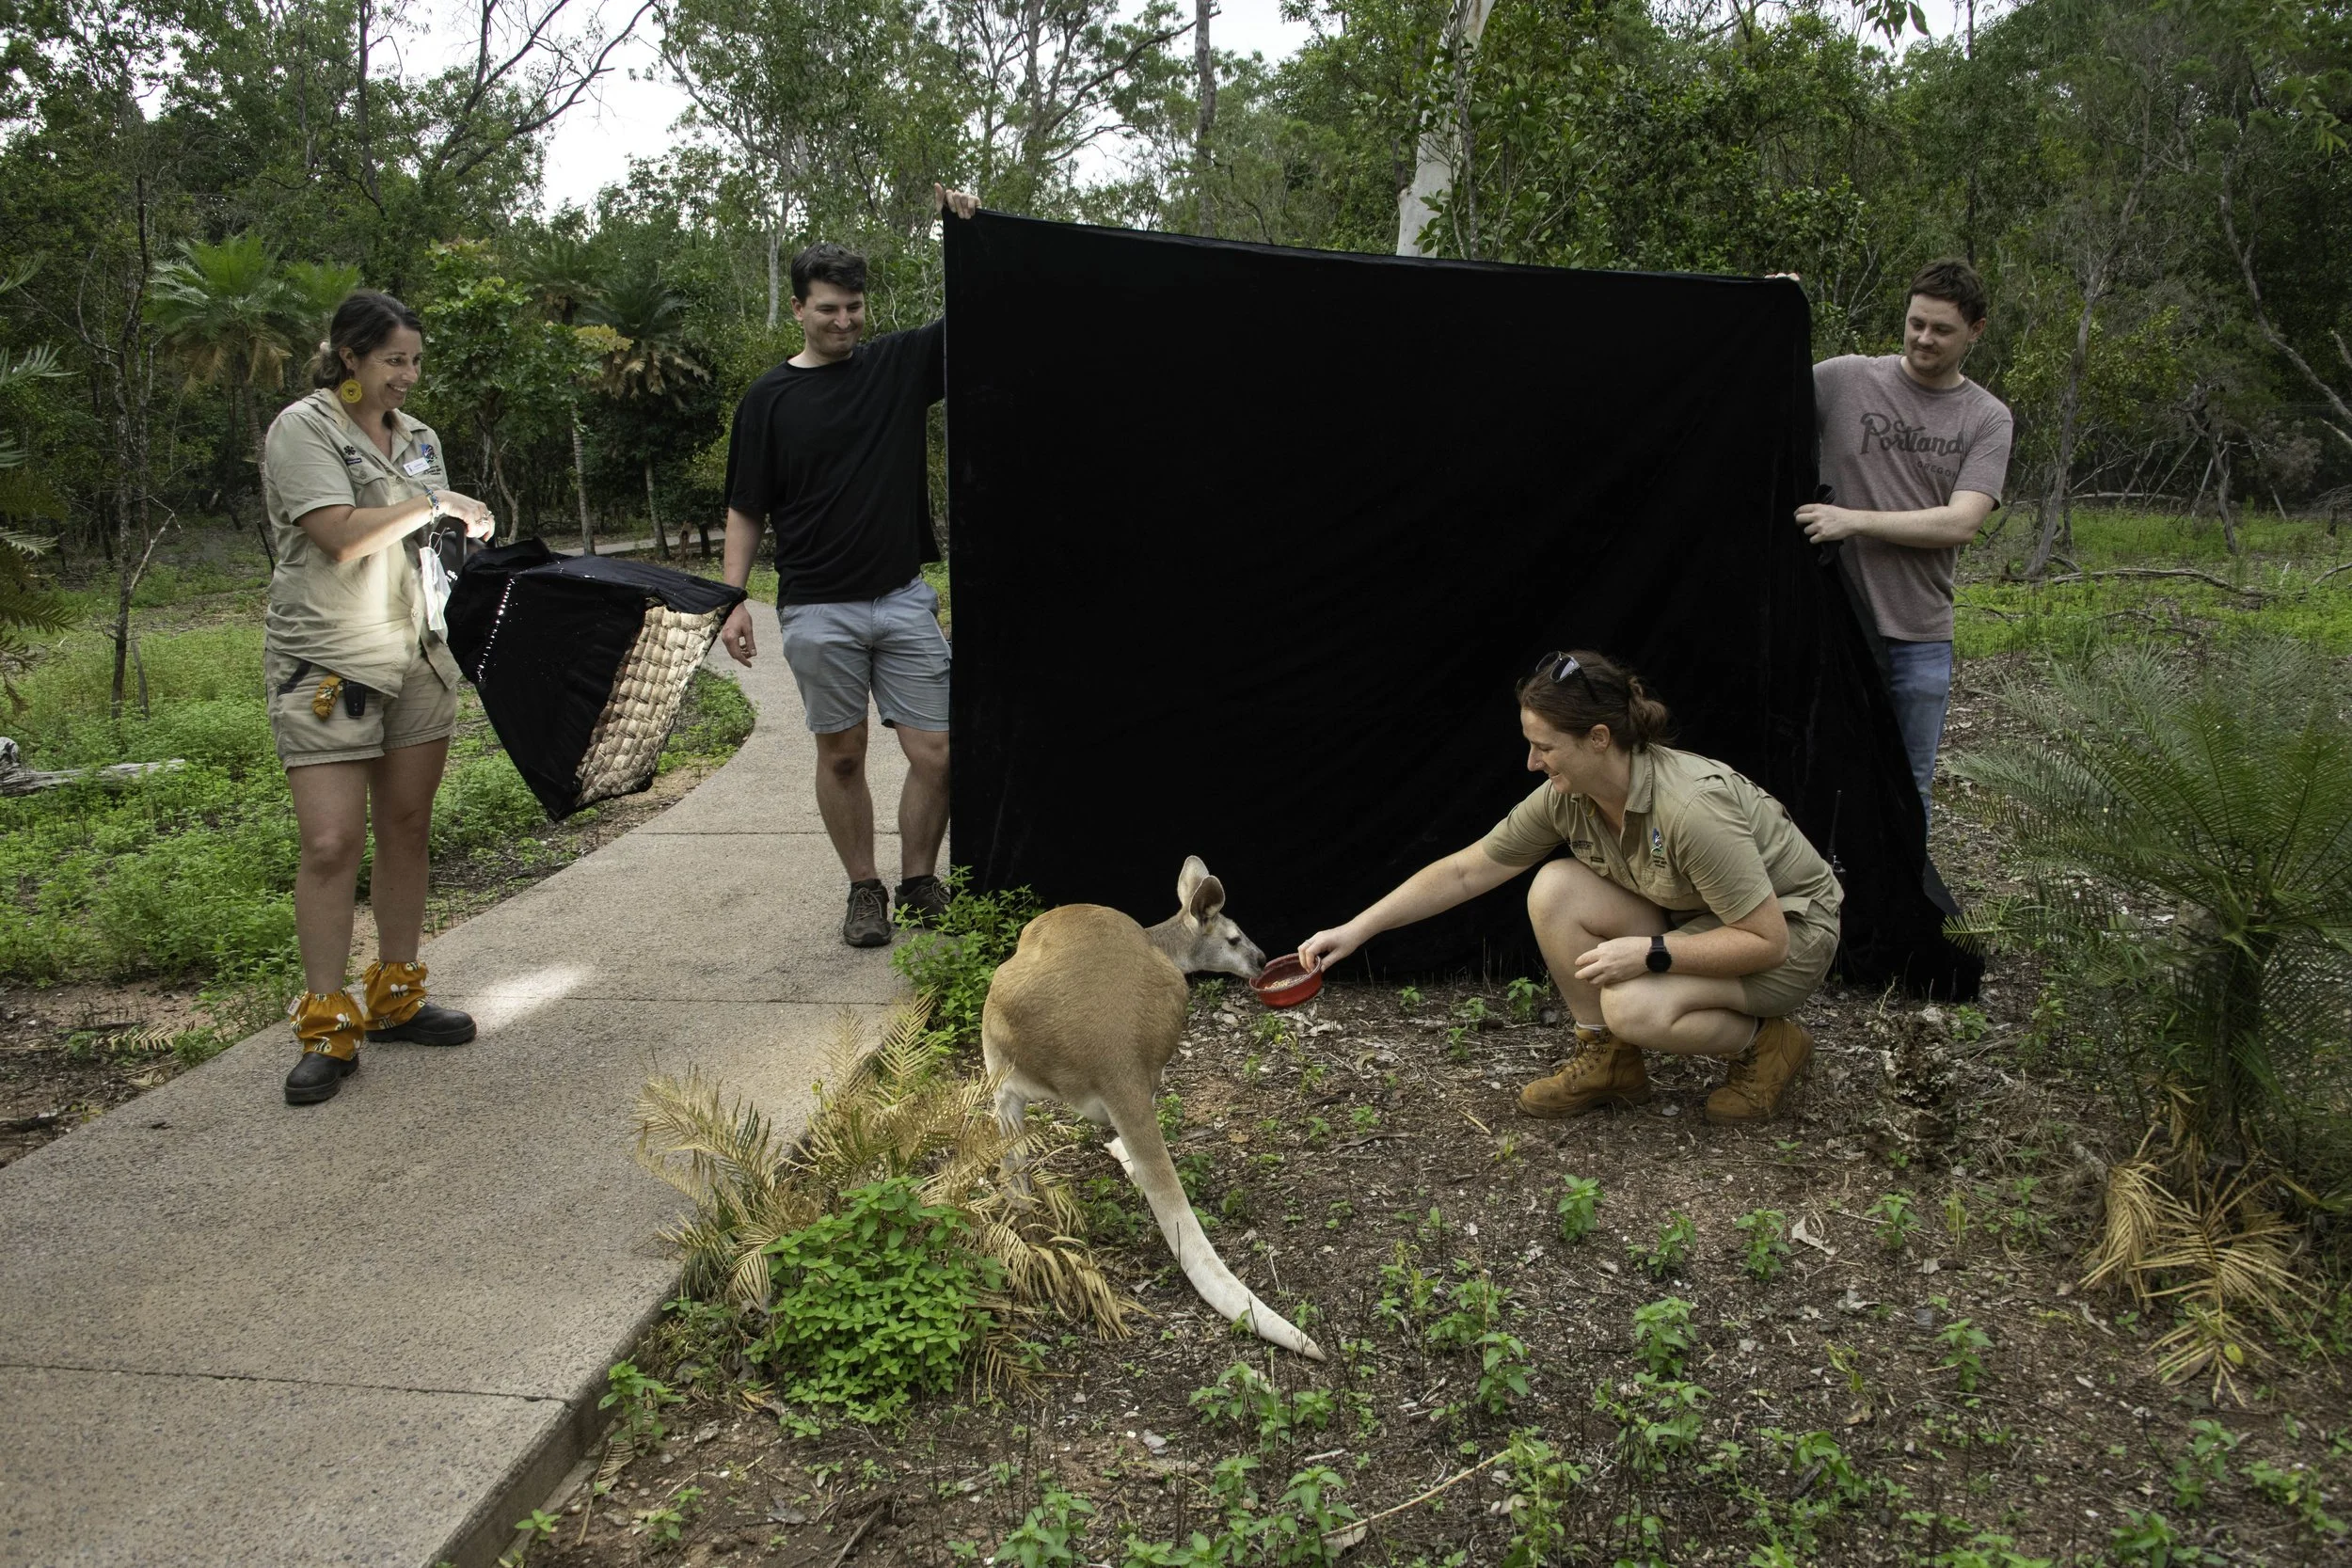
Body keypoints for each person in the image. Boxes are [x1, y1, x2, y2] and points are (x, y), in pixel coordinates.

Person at [1298, 650, 1842, 1125]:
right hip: (1704, 924)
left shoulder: (1691, 808)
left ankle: (1769, 1045)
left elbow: (1767, 940)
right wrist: (1357, 929)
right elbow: (1468, 870)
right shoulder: (1570, 794)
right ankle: (1611, 1061)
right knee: (1556, 886)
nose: (1532, 762)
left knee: (1632, 1005)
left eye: (1545, 747)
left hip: (1789, 942)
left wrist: (1652, 953)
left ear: (1599, 739)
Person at [714, 185, 979, 948]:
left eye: (853, 307)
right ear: (798, 308)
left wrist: (968, 229)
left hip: (900, 599)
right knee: (842, 757)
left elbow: (975, 310)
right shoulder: (767, 401)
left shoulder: (895, 367)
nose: (843, 320)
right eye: (827, 308)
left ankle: (920, 877)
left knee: (939, 753)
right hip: (814, 608)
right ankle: (865, 889)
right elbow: (745, 509)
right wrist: (731, 599)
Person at [261, 292, 496, 1106]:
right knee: (330, 842)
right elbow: (340, 532)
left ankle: (396, 994)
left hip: (417, 653)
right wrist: (436, 505)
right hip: (330, 658)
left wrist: (465, 527)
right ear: (350, 357)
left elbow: (423, 529)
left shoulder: (418, 438)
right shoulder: (305, 428)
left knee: (407, 825)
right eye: (393, 359)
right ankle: (327, 1022)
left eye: (415, 361)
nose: (407, 375)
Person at [1798, 258, 2013, 820]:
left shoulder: (1987, 418)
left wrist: (1853, 519)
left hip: (1918, 638)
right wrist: (1778, 311)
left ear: (1976, 331)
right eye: (1916, 323)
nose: (1924, 338)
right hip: (1833, 626)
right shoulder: (1846, 379)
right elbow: (1765, 387)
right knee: (1816, 773)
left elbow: (1961, 522)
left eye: (1942, 329)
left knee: (1906, 789)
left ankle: (1901, 905)